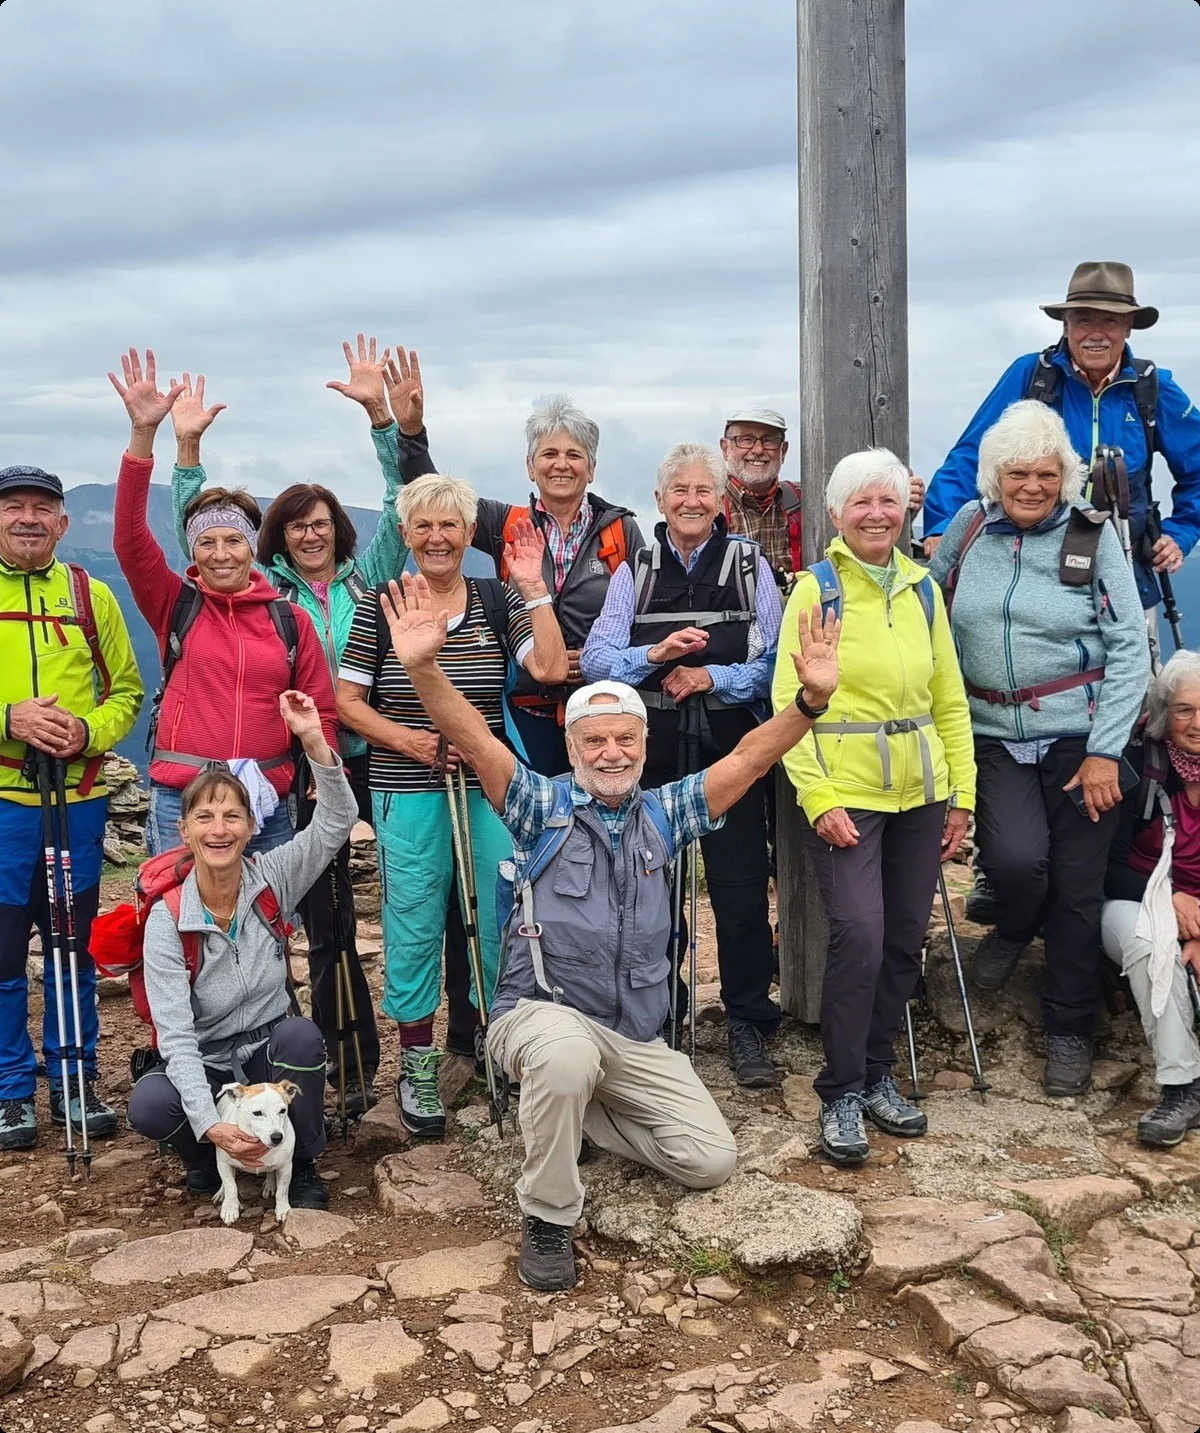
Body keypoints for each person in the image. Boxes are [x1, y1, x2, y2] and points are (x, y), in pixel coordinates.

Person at [378, 568, 842, 1291]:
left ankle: (573, 1116)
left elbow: (749, 758)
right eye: (594, 741)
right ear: (571, 748)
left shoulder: (666, 812)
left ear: (644, 742)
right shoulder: (538, 808)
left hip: (632, 1037)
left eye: (626, 738)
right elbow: (472, 735)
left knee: (708, 1159)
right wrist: (423, 670)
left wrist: (809, 701)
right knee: (563, 1055)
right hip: (540, 1019)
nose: (612, 753)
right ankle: (549, 1215)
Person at [166, 337, 410, 1113]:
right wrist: (188, 451)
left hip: (372, 754)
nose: (310, 533)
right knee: (321, 916)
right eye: (295, 524)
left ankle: (374, 1064)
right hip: (298, 772)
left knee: (377, 911)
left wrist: (383, 420)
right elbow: (200, 531)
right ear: (278, 536)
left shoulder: (370, 579)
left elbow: (402, 498)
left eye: (322, 523)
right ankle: (309, 1063)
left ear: (341, 529)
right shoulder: (265, 590)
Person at [336, 474, 567, 1139]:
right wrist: (411, 739)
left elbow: (549, 666)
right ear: (405, 534)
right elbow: (348, 702)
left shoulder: (496, 600)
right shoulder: (383, 602)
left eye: (451, 526)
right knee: (410, 921)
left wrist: (533, 587)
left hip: (489, 786)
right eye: (423, 526)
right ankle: (418, 1063)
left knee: (502, 917)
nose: (437, 537)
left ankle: (506, 1048)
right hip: (407, 788)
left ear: (471, 535)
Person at [930, 400, 1150, 1097]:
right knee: (1016, 862)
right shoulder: (969, 528)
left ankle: (1067, 1032)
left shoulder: (1090, 533)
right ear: (997, 474)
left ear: (1065, 476)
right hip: (989, 730)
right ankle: (1017, 923)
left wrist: (1107, 749)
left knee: (1079, 891)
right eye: (1018, 473)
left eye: (1047, 474)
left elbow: (1128, 649)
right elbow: (926, 607)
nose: (1032, 486)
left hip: (1079, 734)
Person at [772, 448, 975, 1166]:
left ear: (905, 510)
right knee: (859, 933)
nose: (877, 514)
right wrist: (818, 794)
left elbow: (949, 698)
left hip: (923, 794)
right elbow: (784, 705)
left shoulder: (922, 588)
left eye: (888, 501)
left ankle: (880, 1071)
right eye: (862, 502)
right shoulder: (816, 590)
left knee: (901, 940)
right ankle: (841, 1091)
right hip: (849, 795)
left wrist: (963, 795)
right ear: (835, 514)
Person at [582, 442, 784, 1087]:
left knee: (741, 888)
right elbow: (595, 660)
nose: (692, 502)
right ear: (660, 500)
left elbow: (774, 664)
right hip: (652, 753)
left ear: (720, 500)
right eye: (679, 491)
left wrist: (710, 676)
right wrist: (656, 654)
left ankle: (749, 1019)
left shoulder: (749, 565)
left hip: (733, 751)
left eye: (704, 491)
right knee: (648, 890)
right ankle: (658, 1019)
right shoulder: (634, 570)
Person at [126, 689, 357, 1206]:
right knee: (151, 1102)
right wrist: (210, 1125)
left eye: (232, 816)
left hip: (267, 1050)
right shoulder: (168, 920)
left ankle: (300, 1163)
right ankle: (206, 1159)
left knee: (300, 1036)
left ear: (252, 827)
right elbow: (177, 1037)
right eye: (204, 817)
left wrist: (314, 739)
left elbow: (337, 821)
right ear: (183, 831)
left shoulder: (272, 877)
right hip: (206, 1059)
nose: (219, 829)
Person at [109, 349, 339, 859]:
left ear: (251, 548)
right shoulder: (176, 603)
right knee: (181, 920)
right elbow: (128, 539)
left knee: (266, 924)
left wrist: (325, 769)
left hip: (264, 797)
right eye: (206, 543)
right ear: (192, 549)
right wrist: (142, 438)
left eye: (233, 542)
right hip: (183, 797)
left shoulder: (288, 618)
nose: (220, 554)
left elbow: (319, 705)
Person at [368, 352, 645, 774]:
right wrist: (410, 431)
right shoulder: (505, 523)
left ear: (592, 467)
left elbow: (638, 615)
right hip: (525, 710)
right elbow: (433, 495)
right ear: (529, 467)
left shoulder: (621, 532)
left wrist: (595, 658)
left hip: (600, 709)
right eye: (549, 453)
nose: (561, 464)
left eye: (574, 454)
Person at [921, 262, 1200, 618]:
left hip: (1126, 578)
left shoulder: (1152, 388)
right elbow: (973, 455)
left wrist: (1181, 533)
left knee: (1131, 668)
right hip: (1030, 573)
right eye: (1084, 319)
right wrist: (943, 527)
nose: (1095, 333)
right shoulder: (1033, 376)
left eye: (1110, 321)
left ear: (1128, 327)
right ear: (1066, 325)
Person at [0, 466, 143, 1150]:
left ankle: (75, 1079)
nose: (27, 518)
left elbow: (128, 691)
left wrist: (88, 731)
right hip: (4, 803)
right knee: (2, 952)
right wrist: (10, 717)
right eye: (13, 507)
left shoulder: (91, 595)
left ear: (61, 523)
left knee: (70, 945)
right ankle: (10, 1091)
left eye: (42, 509)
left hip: (77, 801)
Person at [1103, 652, 1200, 1148]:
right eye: (1184, 710)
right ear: (1165, 713)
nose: (1197, 724)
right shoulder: (1142, 767)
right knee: (1151, 944)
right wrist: (1171, 903)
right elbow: (1107, 870)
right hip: (1134, 898)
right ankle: (1181, 1088)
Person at [720, 408, 924, 589]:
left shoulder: (807, 499)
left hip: (810, 620)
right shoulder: (708, 507)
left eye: (769, 441)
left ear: (783, 451)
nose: (757, 450)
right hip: (733, 625)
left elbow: (862, 517)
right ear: (725, 448)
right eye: (746, 439)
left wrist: (901, 498)